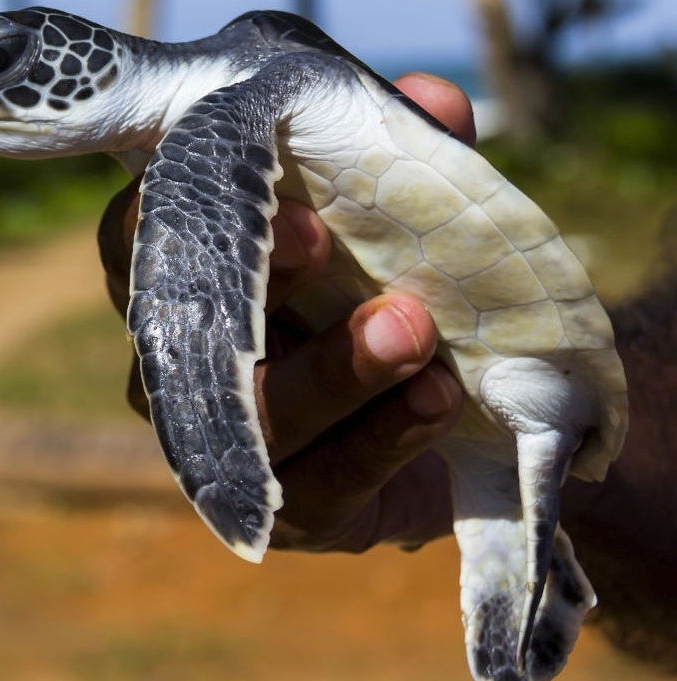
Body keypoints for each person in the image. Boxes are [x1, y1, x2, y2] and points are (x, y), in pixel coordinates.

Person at [97, 72, 677, 670]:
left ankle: (519, 475)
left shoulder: (236, 105)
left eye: (20, 57)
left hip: (515, 380)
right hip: (481, 403)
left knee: (192, 195)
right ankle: (509, 486)